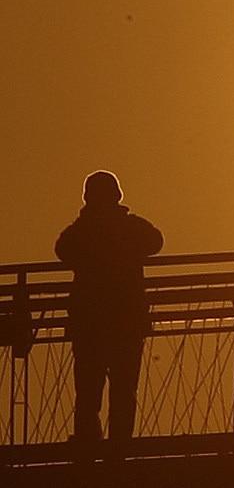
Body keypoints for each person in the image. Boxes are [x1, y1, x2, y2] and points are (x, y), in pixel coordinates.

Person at [54, 171, 164, 444]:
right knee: (124, 388)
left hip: (89, 322)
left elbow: (62, 250)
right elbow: (155, 241)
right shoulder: (131, 228)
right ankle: (120, 445)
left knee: (88, 389)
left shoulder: (81, 232)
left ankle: (89, 441)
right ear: (117, 196)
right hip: (127, 320)